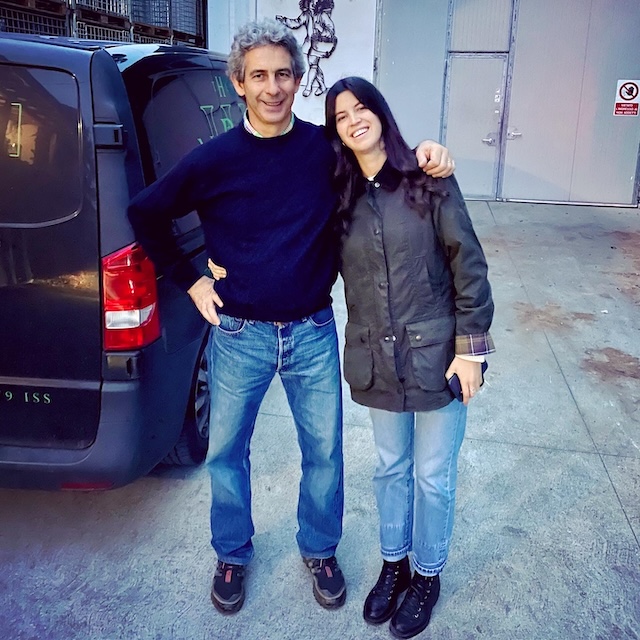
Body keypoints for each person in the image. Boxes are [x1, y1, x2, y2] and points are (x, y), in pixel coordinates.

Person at [127, 19, 453, 616]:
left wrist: (428, 153)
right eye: (259, 76)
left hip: (312, 331)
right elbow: (146, 212)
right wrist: (192, 279)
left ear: (299, 80)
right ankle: (231, 553)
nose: (272, 87)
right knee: (227, 454)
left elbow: (381, 159)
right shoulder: (214, 160)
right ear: (238, 82)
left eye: (283, 74)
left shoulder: (324, 151)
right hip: (239, 335)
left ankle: (320, 549)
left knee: (324, 454)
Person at [324, 77, 494, 639]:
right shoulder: (340, 198)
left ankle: (426, 575)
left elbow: (469, 264)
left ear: (380, 113)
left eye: (361, 108)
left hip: (436, 357)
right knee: (390, 468)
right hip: (375, 357)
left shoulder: (428, 178)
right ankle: (393, 564)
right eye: (341, 116)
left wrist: (471, 353)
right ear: (336, 132)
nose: (354, 120)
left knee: (432, 476)